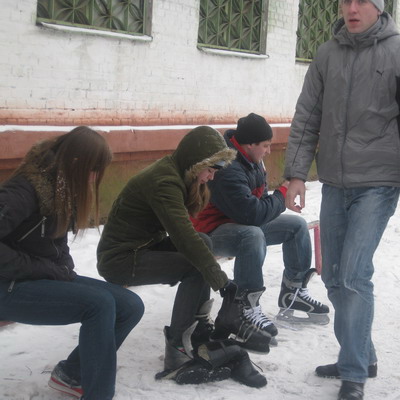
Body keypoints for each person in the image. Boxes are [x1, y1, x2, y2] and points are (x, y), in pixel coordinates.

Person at [284, 0, 400, 398]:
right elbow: (307, 115)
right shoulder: (327, 54)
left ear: (379, 6)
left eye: (361, 1)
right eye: (346, 1)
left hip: (379, 180)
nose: (351, 9)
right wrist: (296, 174)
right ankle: (362, 355)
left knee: (354, 274)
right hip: (335, 182)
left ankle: (353, 373)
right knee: (334, 275)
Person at [96, 126, 270, 380]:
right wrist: (223, 283)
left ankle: (198, 328)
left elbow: (192, 232)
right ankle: (178, 347)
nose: (211, 177)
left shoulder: (176, 172)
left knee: (204, 243)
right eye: (210, 170)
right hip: (120, 259)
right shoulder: (165, 181)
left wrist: (197, 184)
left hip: (142, 246)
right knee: (195, 263)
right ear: (195, 161)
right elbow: (183, 236)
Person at [0, 126, 145, 400]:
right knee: (99, 304)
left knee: (129, 305)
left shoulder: (60, 185)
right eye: (94, 170)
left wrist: (62, 270)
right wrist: (41, 269)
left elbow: (54, 243)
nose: (95, 178)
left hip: (38, 277)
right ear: (76, 162)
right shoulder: (23, 191)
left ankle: (72, 373)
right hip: (9, 285)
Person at [192, 113, 330, 342]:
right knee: (252, 235)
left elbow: (260, 204)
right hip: (209, 232)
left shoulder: (252, 160)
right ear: (250, 144)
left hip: (238, 224)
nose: (268, 151)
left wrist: (275, 200)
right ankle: (244, 306)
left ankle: (293, 293)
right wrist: (281, 195)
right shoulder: (228, 168)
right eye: (265, 146)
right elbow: (252, 214)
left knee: (296, 226)